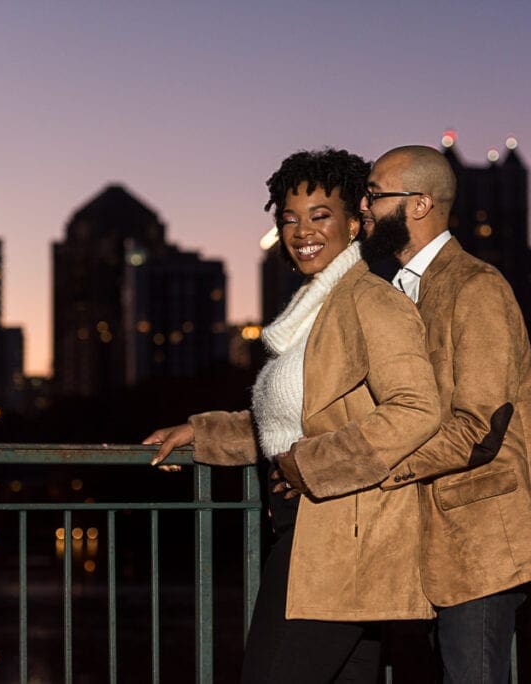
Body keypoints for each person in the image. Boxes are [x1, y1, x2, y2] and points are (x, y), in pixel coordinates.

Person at [144, 148, 441, 683]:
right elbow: (295, 420)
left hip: (339, 541)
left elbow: (417, 409)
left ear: (355, 223)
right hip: (314, 534)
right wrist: (203, 432)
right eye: (289, 218)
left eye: (320, 215)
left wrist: (308, 466)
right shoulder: (314, 309)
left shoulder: (371, 301)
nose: (302, 230)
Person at [360, 145, 531, 684]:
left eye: (376, 194)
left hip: (482, 542)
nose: (364, 206)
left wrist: (369, 467)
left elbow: (479, 428)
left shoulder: (477, 287)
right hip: (426, 541)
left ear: (420, 204)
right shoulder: (396, 293)